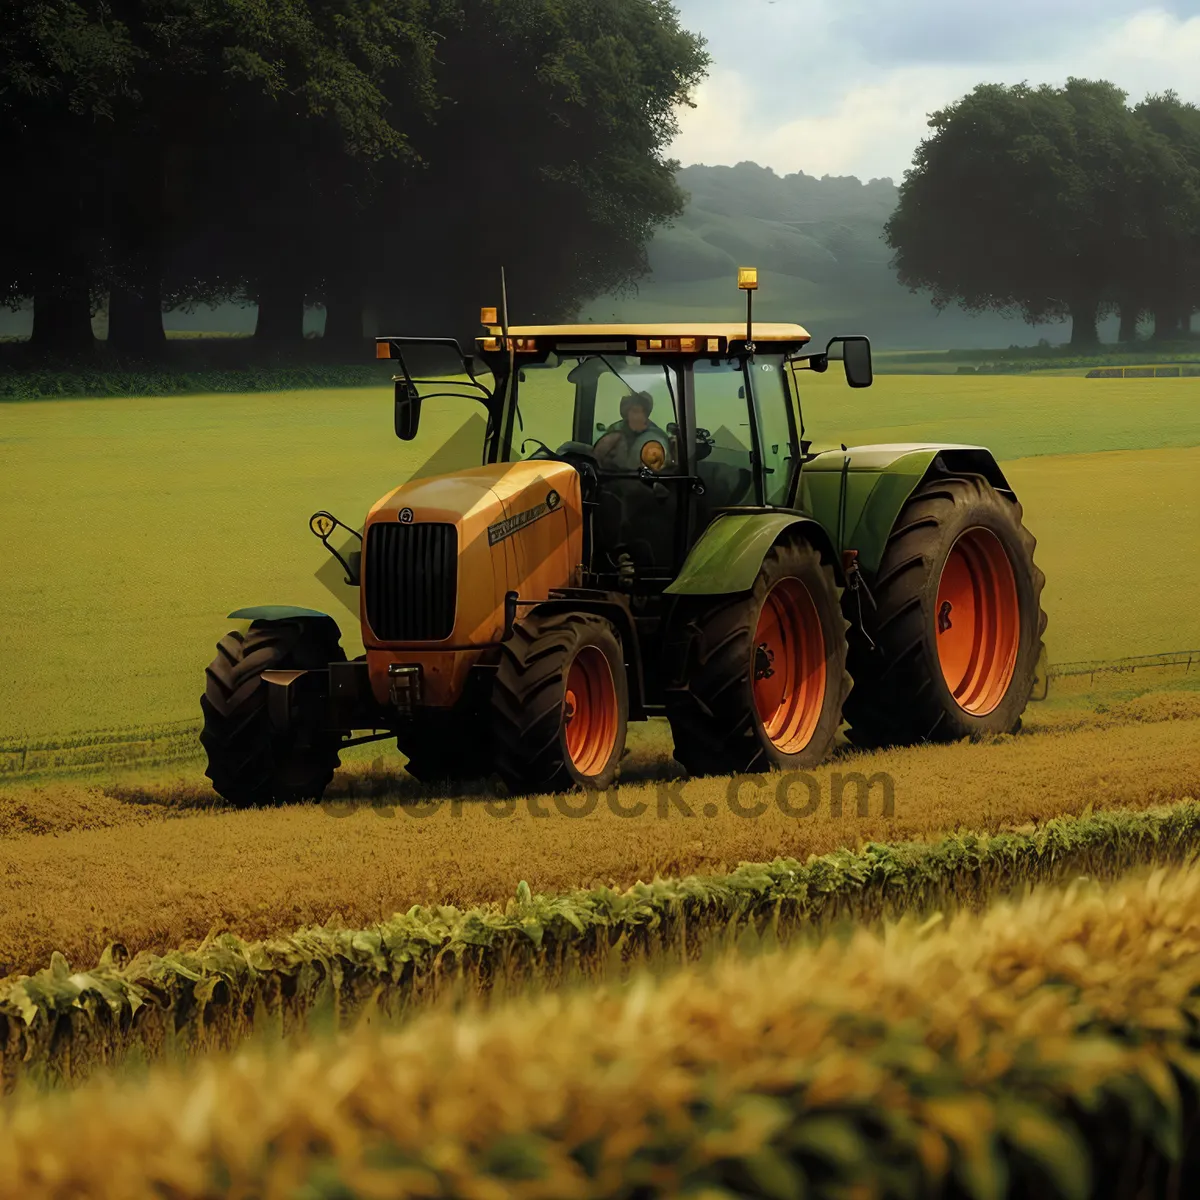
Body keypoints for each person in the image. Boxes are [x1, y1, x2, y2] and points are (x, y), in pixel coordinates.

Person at [593, 391, 670, 470]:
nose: (635, 416)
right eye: (632, 411)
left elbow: (662, 466)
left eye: (638, 411)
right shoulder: (615, 430)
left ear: (646, 414)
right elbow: (598, 458)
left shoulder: (656, 437)